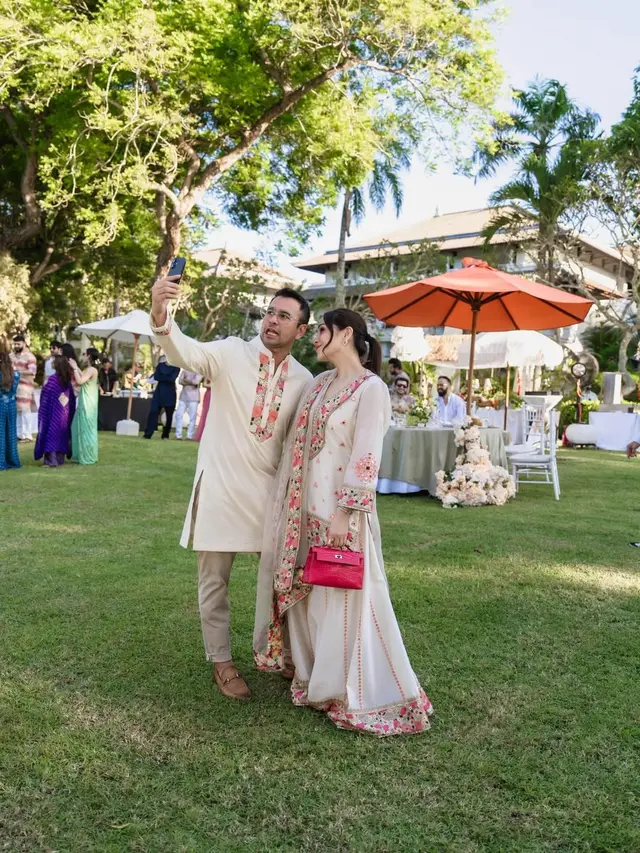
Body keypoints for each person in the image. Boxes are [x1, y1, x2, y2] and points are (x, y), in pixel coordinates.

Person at [253, 308, 432, 736]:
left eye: (320, 330)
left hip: (340, 514)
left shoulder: (371, 390)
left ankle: (349, 691)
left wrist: (345, 512)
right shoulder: (318, 385)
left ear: (346, 334)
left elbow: (366, 455)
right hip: (302, 511)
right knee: (308, 595)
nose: (314, 338)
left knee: (345, 599)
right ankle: (313, 678)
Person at [150, 276, 312, 700]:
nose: (272, 322)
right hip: (221, 487)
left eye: (284, 316)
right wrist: (160, 312)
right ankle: (221, 661)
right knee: (214, 580)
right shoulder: (230, 352)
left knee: (282, 577)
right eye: (270, 313)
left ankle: (284, 653)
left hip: (267, 495)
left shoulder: (304, 380)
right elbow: (184, 351)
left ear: (302, 330)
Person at [34, 355, 76, 467]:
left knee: (51, 434)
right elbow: (71, 399)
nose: (52, 364)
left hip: (52, 413)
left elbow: (45, 396)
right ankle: (59, 458)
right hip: (64, 413)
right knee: (61, 434)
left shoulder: (53, 379)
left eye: (53, 362)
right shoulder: (67, 380)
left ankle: (51, 461)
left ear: (57, 365)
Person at [69, 348, 99, 465]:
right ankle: (79, 454)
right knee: (76, 426)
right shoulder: (91, 369)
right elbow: (83, 376)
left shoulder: (92, 369)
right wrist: (76, 368)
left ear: (89, 356)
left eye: (84, 354)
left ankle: (88, 455)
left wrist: (75, 368)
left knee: (86, 428)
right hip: (86, 401)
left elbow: (80, 381)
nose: (83, 356)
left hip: (88, 402)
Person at [143, 355, 180, 439]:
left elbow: (172, 379)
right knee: (153, 412)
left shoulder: (176, 367)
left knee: (169, 415)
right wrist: (166, 377)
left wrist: (162, 377)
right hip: (159, 392)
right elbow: (156, 377)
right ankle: (148, 433)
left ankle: (165, 434)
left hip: (170, 393)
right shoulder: (160, 366)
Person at [10, 334, 37, 441]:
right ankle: (19, 434)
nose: (16, 345)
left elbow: (31, 371)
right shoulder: (10, 356)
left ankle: (27, 434)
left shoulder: (30, 357)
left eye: (18, 344)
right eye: (15, 344)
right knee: (16, 411)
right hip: (12, 387)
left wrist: (16, 372)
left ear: (24, 344)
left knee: (25, 410)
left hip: (25, 387)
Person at [0, 351, 21, 471]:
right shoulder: (16, 374)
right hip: (11, 405)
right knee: (11, 434)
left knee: (1, 434)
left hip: (0, 405)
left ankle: (1, 461)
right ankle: (13, 460)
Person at [175, 369, 203, 440]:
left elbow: (196, 382)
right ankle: (178, 435)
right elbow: (180, 381)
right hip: (183, 397)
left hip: (194, 397)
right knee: (178, 415)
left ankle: (189, 436)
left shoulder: (199, 371)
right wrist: (191, 381)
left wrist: (186, 380)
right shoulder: (185, 370)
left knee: (192, 417)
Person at [194, 378, 212, 442]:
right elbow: (204, 384)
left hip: (217, 394)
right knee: (205, 414)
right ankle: (201, 434)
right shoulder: (208, 374)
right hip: (209, 394)